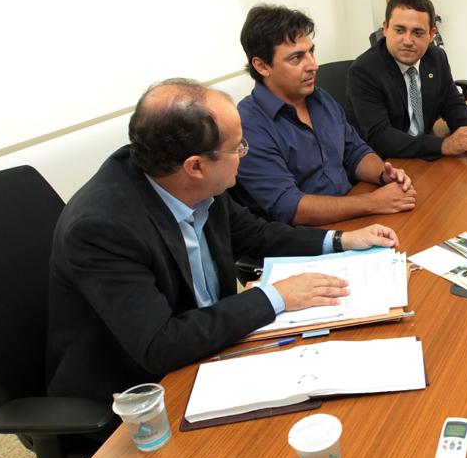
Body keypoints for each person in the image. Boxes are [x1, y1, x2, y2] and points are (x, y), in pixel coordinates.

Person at [47, 79, 399, 404]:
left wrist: (342, 240)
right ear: (195, 166)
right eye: (238, 147)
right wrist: (275, 296)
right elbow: (160, 345)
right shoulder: (102, 228)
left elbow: (258, 234)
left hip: (216, 345)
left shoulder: (193, 183)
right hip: (143, 392)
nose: (245, 154)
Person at [236, 4, 416, 226]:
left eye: (311, 52)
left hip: (351, 217)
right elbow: (288, 207)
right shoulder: (247, 125)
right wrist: (373, 203)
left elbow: (355, 152)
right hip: (308, 239)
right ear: (262, 66)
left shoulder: (320, 99)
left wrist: (383, 174)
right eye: (296, 58)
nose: (313, 65)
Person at [346, 0, 467, 160]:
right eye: (399, 30)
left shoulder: (436, 57)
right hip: (385, 163)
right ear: (385, 29)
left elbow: (453, 104)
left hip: (423, 158)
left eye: (417, 32)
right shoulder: (364, 71)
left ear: (431, 34)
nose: (407, 41)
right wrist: (443, 145)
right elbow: (380, 138)